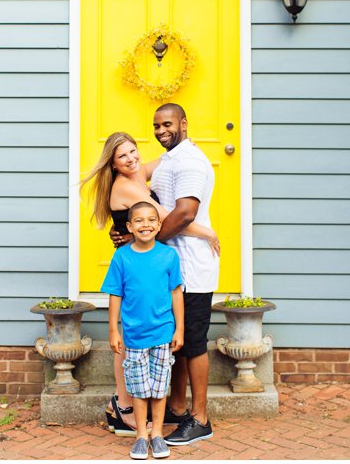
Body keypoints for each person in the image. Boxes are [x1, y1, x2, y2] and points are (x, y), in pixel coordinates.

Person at [79, 131, 219, 435]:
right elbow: (166, 219)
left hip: (144, 260)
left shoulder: (137, 172)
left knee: (137, 330)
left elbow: (159, 161)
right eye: (123, 156)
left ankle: (124, 405)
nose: (131, 159)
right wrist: (207, 232)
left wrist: (185, 147)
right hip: (134, 264)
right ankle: (123, 406)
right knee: (130, 335)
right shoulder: (126, 187)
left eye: (133, 151)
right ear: (113, 164)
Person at [145, 103, 218, 446]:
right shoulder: (169, 160)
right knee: (175, 341)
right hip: (172, 267)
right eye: (157, 125)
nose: (161, 130)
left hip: (192, 267)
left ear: (184, 124)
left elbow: (186, 212)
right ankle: (175, 406)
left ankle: (200, 418)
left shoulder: (190, 160)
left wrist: (147, 241)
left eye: (168, 124)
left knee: (193, 342)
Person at [101, 201, 184, 459]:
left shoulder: (168, 256)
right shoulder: (122, 257)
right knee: (138, 388)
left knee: (159, 388)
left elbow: (176, 293)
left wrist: (179, 328)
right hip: (134, 336)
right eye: (139, 220)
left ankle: (157, 435)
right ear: (129, 226)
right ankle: (140, 436)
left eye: (151, 220)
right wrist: (114, 331)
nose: (145, 225)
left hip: (162, 333)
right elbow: (115, 295)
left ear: (159, 225)